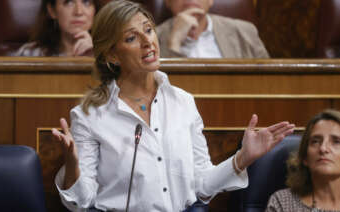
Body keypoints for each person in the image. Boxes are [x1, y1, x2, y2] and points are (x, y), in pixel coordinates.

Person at [52, 0, 294, 211]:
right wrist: (72, 165)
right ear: (112, 56)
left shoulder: (183, 102)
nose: (148, 41)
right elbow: (81, 201)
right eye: (131, 38)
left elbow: (201, 185)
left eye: (149, 30)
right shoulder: (89, 115)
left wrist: (242, 159)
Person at [266, 109, 340, 212]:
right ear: (305, 157)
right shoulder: (281, 202)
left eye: (336, 142)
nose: (323, 148)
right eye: (315, 141)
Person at [156, 0, 270, 58]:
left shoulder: (244, 31)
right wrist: (175, 41)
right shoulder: (152, 37)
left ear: (210, 0)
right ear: (167, 2)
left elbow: (270, 79)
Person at [15, 0, 101, 57]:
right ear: (52, 11)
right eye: (69, 2)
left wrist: (95, 57)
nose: (78, 12)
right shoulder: (30, 53)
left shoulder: (107, 54)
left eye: (86, 2)